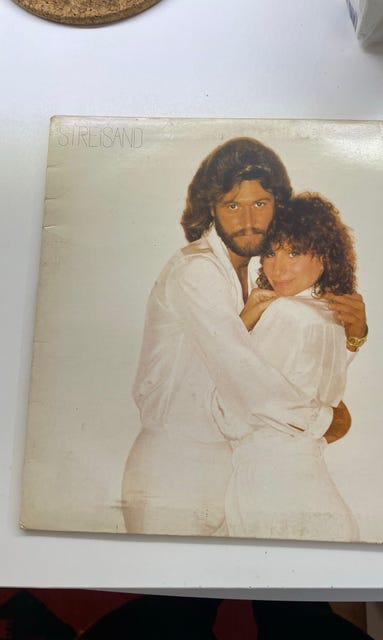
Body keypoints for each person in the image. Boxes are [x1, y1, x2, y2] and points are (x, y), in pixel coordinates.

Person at [121, 137, 367, 536]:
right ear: (211, 209)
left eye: (260, 203)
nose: (248, 220)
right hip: (177, 469)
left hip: (235, 471)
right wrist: (325, 420)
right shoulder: (197, 271)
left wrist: (354, 338)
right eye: (233, 205)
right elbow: (242, 373)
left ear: (277, 205)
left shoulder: (260, 275)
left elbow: (289, 360)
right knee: (170, 581)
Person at [224, 193, 363, 541]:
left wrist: (240, 326)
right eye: (271, 253)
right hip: (298, 472)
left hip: (270, 478)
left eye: (294, 252)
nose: (278, 268)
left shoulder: (286, 313)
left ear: (324, 256)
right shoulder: (330, 314)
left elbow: (226, 408)